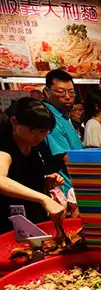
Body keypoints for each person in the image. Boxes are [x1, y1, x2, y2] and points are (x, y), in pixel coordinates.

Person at [0, 98, 65, 232]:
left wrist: (46, 181)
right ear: (14, 122)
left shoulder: (33, 145)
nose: (41, 136)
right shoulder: (4, 148)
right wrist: (43, 199)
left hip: (34, 220)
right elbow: (1, 180)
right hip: (10, 225)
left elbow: (22, 178)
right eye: (36, 130)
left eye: (46, 131)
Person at [39, 69, 82, 198]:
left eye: (71, 92)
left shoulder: (62, 116)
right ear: (47, 92)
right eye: (61, 92)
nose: (67, 96)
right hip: (66, 191)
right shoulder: (50, 118)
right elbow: (66, 158)